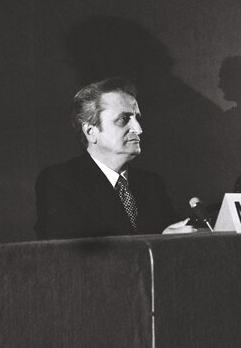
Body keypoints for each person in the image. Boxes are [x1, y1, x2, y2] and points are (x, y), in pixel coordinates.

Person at [35, 77, 191, 239]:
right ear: (91, 132)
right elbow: (72, 254)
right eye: (123, 119)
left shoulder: (152, 184)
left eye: (137, 118)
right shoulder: (60, 181)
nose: (138, 129)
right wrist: (158, 240)